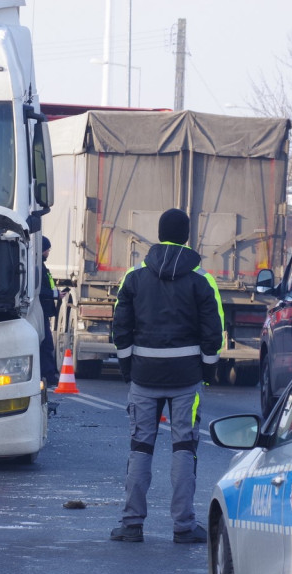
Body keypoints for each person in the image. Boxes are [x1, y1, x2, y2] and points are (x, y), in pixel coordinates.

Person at [109, 208, 223, 544]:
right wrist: (207, 370)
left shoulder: (134, 277)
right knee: (184, 447)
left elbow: (120, 328)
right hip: (186, 378)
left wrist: (128, 367)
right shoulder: (202, 280)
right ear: (187, 236)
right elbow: (212, 331)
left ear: (159, 235)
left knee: (141, 447)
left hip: (144, 376)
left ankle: (132, 524)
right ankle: (184, 526)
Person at [39, 236, 60, 387]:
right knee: (46, 344)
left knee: (46, 344)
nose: (48, 252)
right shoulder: (38, 267)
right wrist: (55, 295)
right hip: (40, 311)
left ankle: (48, 373)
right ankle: (48, 375)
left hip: (43, 311)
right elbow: (39, 289)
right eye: (47, 249)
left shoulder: (41, 266)